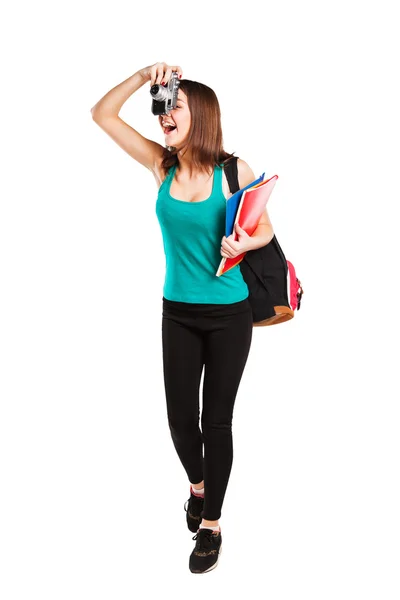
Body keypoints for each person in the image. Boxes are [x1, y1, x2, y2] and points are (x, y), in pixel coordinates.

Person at [91, 62, 274, 574]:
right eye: (162, 105)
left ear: (203, 115)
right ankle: (198, 484)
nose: (164, 114)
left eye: (175, 105)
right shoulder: (161, 166)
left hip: (229, 314)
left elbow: (266, 231)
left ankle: (212, 523)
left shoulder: (234, 170)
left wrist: (244, 239)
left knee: (216, 421)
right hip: (178, 314)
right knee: (179, 421)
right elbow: (101, 114)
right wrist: (143, 74)